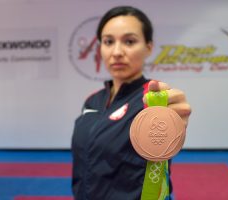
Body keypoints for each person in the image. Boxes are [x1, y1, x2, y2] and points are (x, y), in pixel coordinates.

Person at [71, 5, 191, 200]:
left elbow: (168, 124)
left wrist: (172, 119)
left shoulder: (153, 101)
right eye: (108, 41)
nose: (117, 51)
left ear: (148, 47)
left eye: (129, 41)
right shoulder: (92, 100)